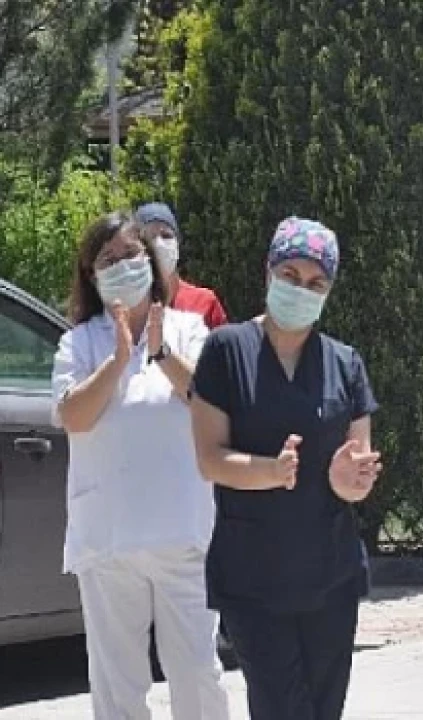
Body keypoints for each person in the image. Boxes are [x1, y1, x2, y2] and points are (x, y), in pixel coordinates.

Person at [189, 217, 382, 719]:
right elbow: (209, 458)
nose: (301, 290)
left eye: (316, 283)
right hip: (252, 577)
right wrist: (271, 472)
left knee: (322, 711)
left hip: (330, 575)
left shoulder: (345, 363)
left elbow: (358, 472)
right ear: (269, 271)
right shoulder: (226, 350)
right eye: (291, 276)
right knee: (283, 709)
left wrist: (348, 481)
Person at [50, 211, 229, 720]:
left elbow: (212, 404)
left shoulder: (188, 329)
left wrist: (160, 353)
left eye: (131, 254)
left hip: (184, 537)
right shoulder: (79, 342)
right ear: (92, 277)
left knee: (197, 674)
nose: (123, 265)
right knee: (117, 687)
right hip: (108, 544)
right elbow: (74, 417)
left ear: (150, 261)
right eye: (108, 259)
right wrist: (117, 359)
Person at [136, 201, 230, 330]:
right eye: (149, 238)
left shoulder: (205, 302)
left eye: (166, 235)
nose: (159, 243)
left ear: (177, 243)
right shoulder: (132, 307)